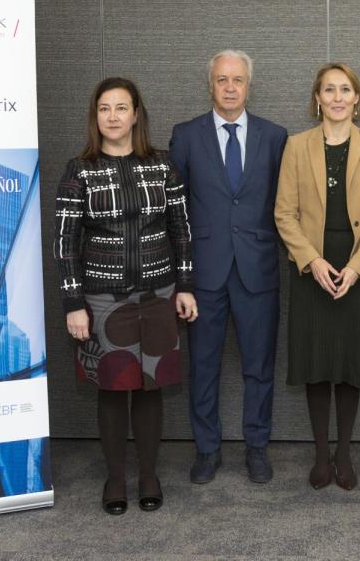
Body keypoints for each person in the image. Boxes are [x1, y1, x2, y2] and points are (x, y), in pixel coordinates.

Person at [54, 77, 197, 515]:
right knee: (112, 391)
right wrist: (72, 302)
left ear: (136, 114)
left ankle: (149, 475)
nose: (112, 116)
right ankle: (116, 479)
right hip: (101, 299)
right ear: (95, 117)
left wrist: (186, 286)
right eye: (104, 109)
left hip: (158, 293)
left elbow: (181, 230)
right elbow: (64, 242)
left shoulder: (163, 165)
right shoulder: (80, 171)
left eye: (121, 108)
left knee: (152, 390)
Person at [169, 50, 288, 484]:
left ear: (249, 85)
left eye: (238, 79)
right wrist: (179, 276)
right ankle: (207, 450)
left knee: (259, 365)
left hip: (258, 269)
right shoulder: (185, 136)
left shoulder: (275, 137)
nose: (230, 87)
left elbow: (284, 205)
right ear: (211, 84)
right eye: (222, 79)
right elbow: (175, 211)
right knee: (203, 365)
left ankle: (257, 447)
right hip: (203, 273)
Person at [274, 63, 360, 490]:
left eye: (346, 89)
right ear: (318, 98)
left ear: (357, 99)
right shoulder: (296, 145)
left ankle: (344, 452)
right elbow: (284, 214)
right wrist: (313, 261)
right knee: (317, 361)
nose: (338, 97)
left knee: (349, 362)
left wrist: (357, 268)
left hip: (358, 265)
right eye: (329, 90)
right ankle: (321, 455)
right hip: (312, 268)